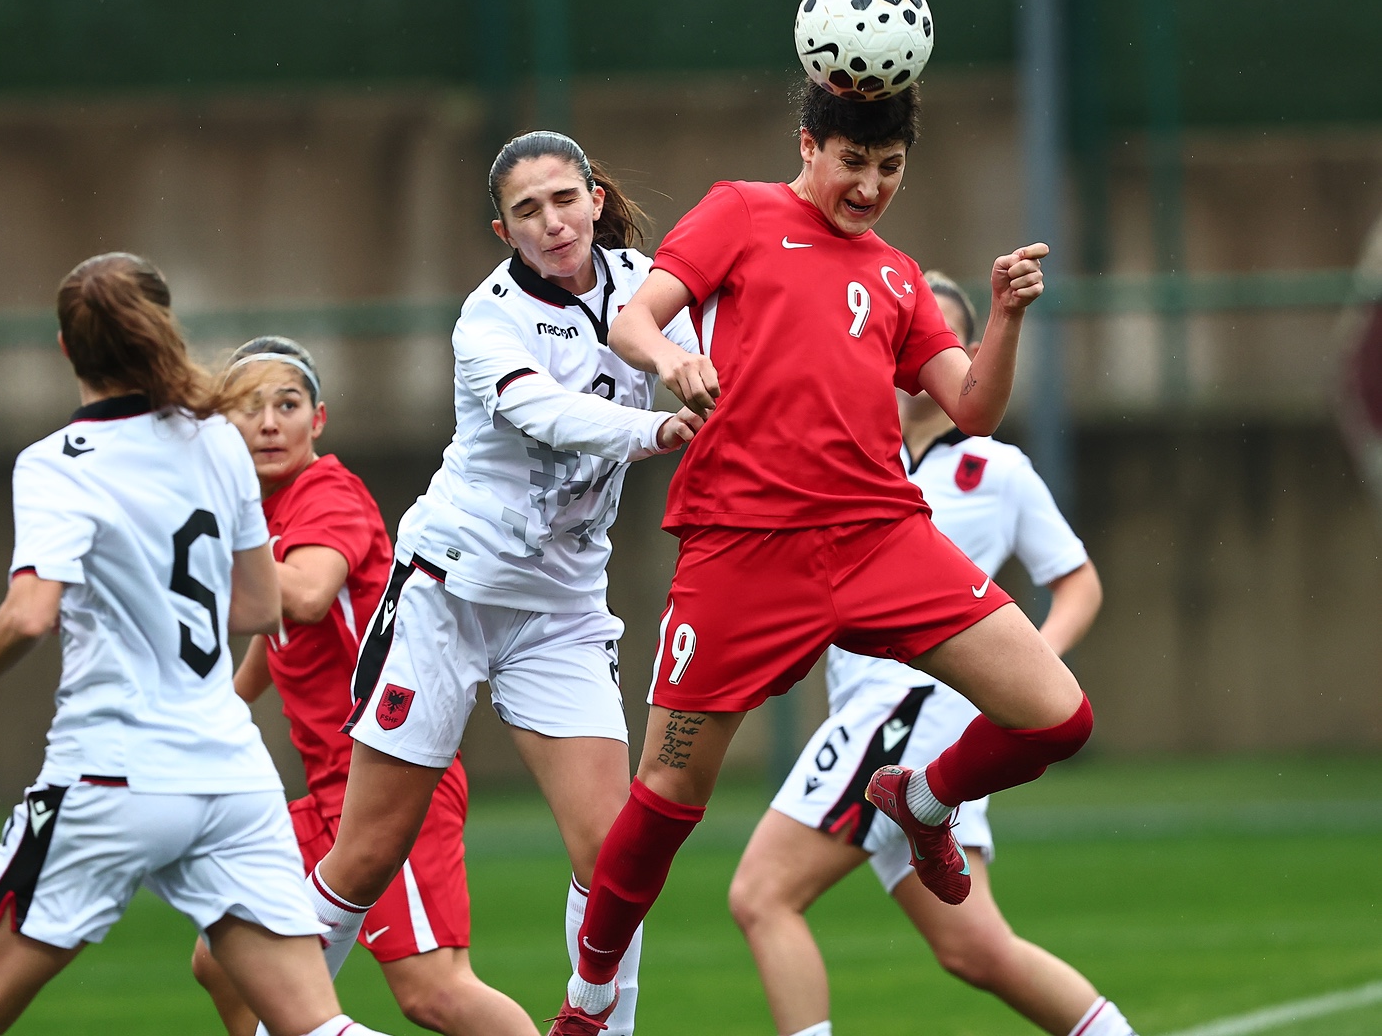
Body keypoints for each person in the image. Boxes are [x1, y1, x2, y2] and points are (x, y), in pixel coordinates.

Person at [549, 80, 1097, 1034]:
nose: (872, 186)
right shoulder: (740, 212)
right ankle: (589, 1001)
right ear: (808, 145)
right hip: (743, 548)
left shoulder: (894, 273)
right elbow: (635, 319)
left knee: (1059, 717)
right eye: (854, 162)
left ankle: (924, 801)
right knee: (667, 796)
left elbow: (970, 409)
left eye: (890, 169)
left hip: (880, 536)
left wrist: (1005, 316)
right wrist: (671, 362)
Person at [0, 253, 390, 1036]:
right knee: (316, 1029)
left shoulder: (53, 465)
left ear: (67, 350)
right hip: (231, 775)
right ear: (161, 330)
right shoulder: (214, 444)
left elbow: (32, 612)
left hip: (110, 776)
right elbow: (258, 605)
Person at [302, 131, 704, 1036]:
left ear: (596, 198)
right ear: (502, 229)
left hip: (560, 612)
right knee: (366, 854)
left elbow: (729, 349)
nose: (553, 222)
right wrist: (655, 430)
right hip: (451, 596)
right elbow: (548, 414)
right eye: (528, 211)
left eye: (565, 199)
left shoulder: (651, 285)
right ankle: (280, 1021)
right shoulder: (486, 320)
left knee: (612, 859)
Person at [728, 272, 1136, 1036]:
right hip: (893, 722)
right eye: (899, 338)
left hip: (909, 716)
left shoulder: (996, 469)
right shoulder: (852, 457)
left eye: (934, 340)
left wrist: (1031, 667)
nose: (913, 355)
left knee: (761, 895)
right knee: (976, 949)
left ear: (966, 355)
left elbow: (1077, 582)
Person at [188, 335, 529, 1036]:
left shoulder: (327, 492)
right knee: (225, 958)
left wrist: (182, 551)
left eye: (288, 403)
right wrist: (220, 708)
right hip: (326, 794)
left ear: (319, 419)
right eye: (250, 408)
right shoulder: (262, 515)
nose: (270, 422)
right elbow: (277, 628)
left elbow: (308, 594)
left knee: (436, 992)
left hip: (386, 780)